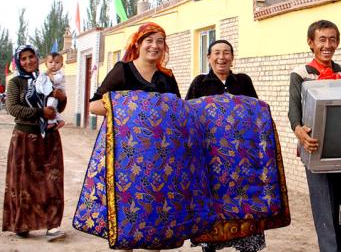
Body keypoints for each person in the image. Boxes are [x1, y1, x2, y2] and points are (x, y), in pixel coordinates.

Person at [88, 22, 180, 252]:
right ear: (138, 44)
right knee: (126, 212)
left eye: (160, 41)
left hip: (158, 157)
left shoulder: (167, 77)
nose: (154, 45)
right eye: (149, 40)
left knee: (155, 214)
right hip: (125, 157)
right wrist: (130, 107)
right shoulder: (123, 70)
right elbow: (94, 105)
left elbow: (177, 113)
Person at [288, 20, 341, 252]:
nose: (327, 45)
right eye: (322, 39)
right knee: (327, 217)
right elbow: (294, 110)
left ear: (338, 42)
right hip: (317, 152)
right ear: (311, 43)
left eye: (332, 39)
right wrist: (299, 130)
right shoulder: (301, 74)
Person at [185, 39, 264, 252]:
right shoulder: (199, 83)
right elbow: (188, 117)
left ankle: (248, 246)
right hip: (211, 161)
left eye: (226, 53)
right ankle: (209, 245)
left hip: (242, 161)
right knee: (213, 206)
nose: (222, 57)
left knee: (245, 204)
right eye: (217, 53)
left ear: (232, 57)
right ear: (209, 57)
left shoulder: (243, 81)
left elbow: (255, 113)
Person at [2, 45, 67, 241]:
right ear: (18, 62)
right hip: (24, 138)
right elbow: (13, 108)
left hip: (49, 139)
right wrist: (39, 113)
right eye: (23, 58)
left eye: (31, 57)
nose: (28, 61)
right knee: (23, 183)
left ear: (37, 58)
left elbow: (58, 106)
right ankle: (22, 224)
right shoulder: (15, 83)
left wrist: (62, 98)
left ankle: (52, 225)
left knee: (52, 181)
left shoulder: (47, 78)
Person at [42, 52, 66, 130]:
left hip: (56, 94)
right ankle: (60, 120)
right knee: (53, 108)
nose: (53, 64)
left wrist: (48, 74)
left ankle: (52, 122)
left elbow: (55, 80)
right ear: (46, 64)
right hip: (50, 94)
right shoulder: (46, 74)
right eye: (51, 62)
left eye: (57, 62)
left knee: (51, 106)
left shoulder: (59, 74)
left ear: (61, 65)